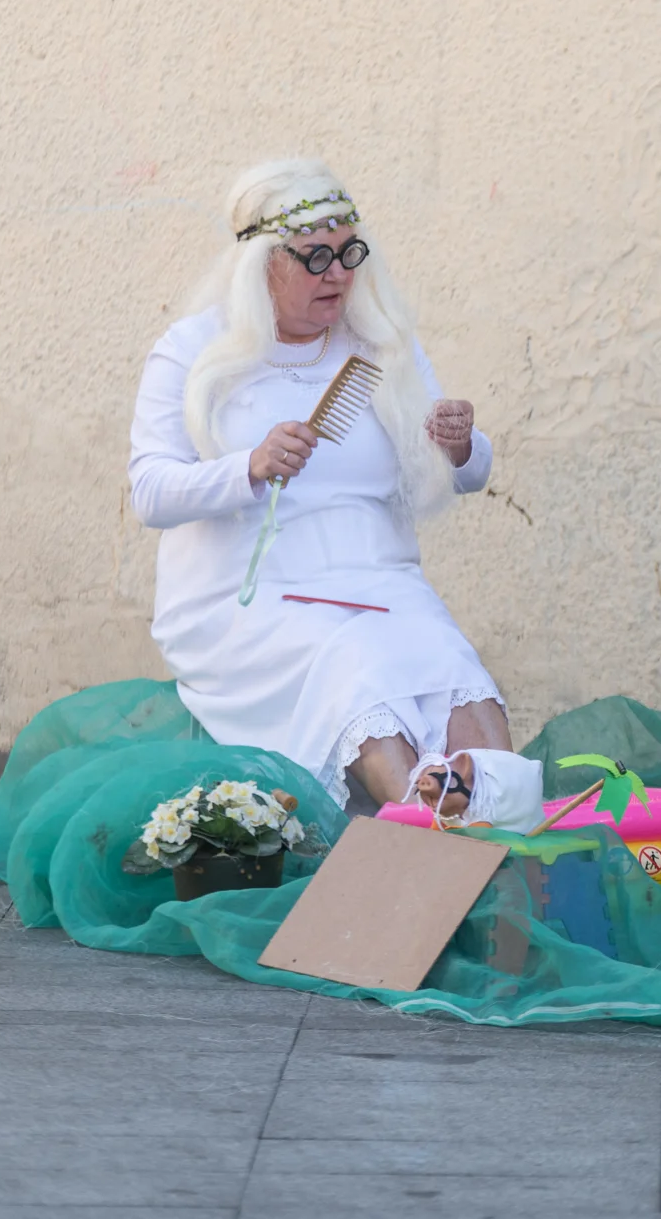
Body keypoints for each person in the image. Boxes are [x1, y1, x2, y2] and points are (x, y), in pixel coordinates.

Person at [127, 159, 540, 827]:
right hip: (250, 599)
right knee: (359, 663)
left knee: (449, 665)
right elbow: (150, 491)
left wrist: (460, 445)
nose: (340, 274)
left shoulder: (380, 344)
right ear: (262, 263)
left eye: (350, 252)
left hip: (378, 580)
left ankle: (502, 829)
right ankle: (426, 838)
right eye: (316, 257)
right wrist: (248, 467)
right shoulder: (192, 349)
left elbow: (465, 473)